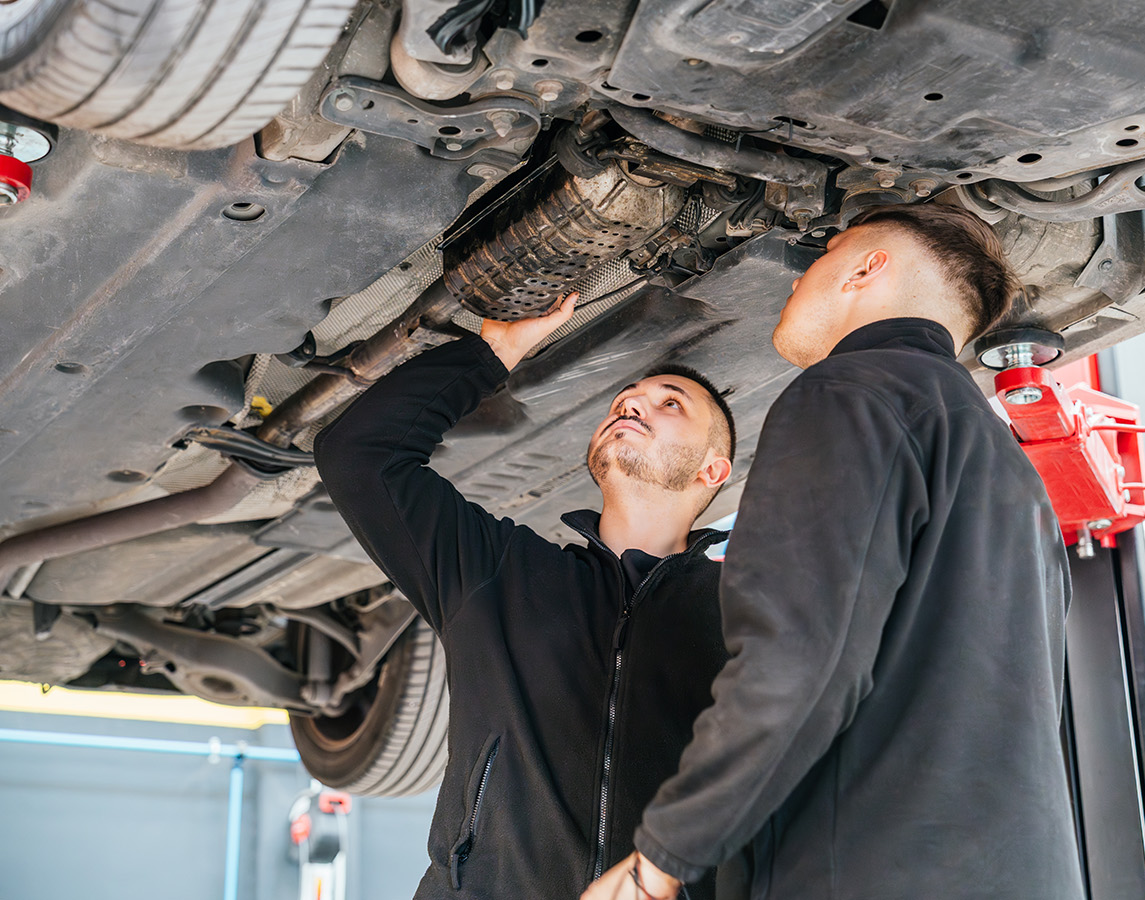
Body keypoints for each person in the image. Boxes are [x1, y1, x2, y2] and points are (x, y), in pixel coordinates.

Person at [586, 204, 1085, 900]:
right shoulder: (1008, 467)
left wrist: (663, 857)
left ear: (866, 268)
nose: (797, 279)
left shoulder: (849, 391)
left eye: (822, 255)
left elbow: (800, 654)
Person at [313, 293, 738, 900]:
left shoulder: (744, 615)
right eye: (624, 401)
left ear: (711, 471)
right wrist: (494, 351)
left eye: (670, 403)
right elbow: (359, 455)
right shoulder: (501, 573)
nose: (632, 404)